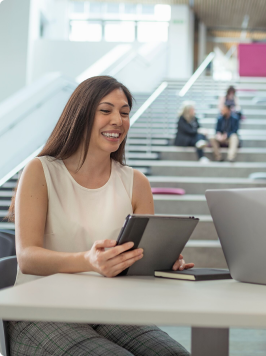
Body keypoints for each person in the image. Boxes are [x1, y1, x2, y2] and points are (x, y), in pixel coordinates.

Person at [7, 76, 194, 356]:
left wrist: (160, 263)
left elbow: (139, 267)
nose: (118, 120)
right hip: (41, 310)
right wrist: (88, 261)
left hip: (109, 310)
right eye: (105, 110)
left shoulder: (136, 182)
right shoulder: (40, 171)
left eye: (124, 112)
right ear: (80, 115)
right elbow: (28, 258)